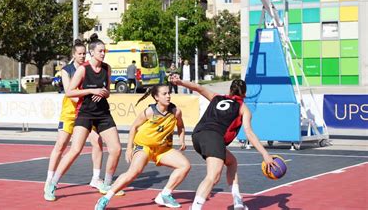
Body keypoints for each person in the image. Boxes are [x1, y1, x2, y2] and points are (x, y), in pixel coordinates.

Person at [169, 76, 276, 210]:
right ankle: (195, 207)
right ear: (244, 93)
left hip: (198, 135)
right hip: (213, 137)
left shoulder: (216, 97)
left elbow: (198, 87)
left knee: (231, 162)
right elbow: (249, 133)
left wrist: (179, 82)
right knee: (213, 176)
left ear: (230, 90)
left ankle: (238, 201)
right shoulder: (243, 108)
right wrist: (265, 154)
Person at [44, 34, 123, 201]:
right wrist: (90, 91)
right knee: (75, 150)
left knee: (116, 149)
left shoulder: (107, 68)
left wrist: (104, 93)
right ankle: (52, 183)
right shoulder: (82, 70)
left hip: (103, 113)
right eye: (100, 51)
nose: (103, 53)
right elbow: (69, 92)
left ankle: (107, 183)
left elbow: (108, 91)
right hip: (85, 113)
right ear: (92, 52)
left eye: (104, 51)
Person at [94, 84, 190, 210]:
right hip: (144, 146)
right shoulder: (149, 112)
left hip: (162, 149)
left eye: (169, 93)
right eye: (164, 94)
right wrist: (129, 148)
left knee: (185, 166)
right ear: (156, 97)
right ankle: (106, 198)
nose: (168, 96)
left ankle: (165, 194)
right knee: (133, 172)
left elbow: (181, 126)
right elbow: (133, 127)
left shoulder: (175, 111)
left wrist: (182, 140)